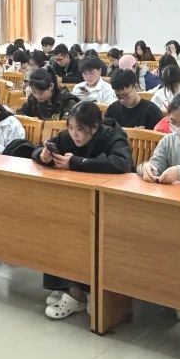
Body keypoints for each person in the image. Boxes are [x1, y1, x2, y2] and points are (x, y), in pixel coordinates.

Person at [33, 101, 132, 318]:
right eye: (70, 128)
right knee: (55, 223)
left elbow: (120, 164)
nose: (74, 134)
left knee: (84, 233)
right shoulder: (67, 136)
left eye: (79, 129)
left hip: (110, 206)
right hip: (75, 201)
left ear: (94, 128)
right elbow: (40, 149)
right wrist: (43, 156)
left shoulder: (113, 136)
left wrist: (76, 162)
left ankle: (85, 290)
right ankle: (69, 289)